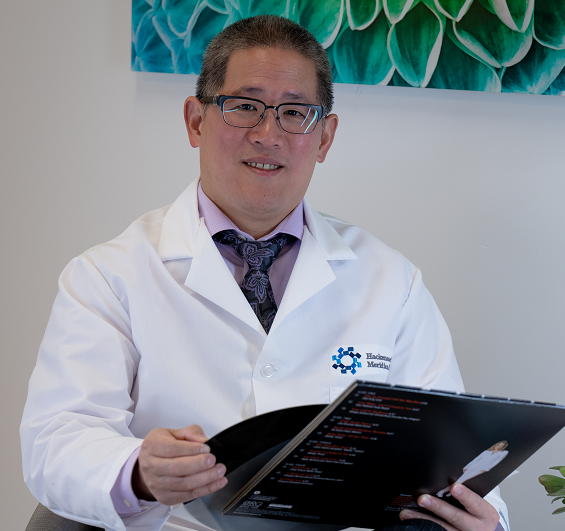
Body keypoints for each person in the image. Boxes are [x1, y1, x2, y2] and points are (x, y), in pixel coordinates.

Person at [20, 15, 509, 531]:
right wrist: (138, 473)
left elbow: (454, 447)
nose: (268, 134)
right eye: (245, 107)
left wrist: (486, 521)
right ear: (195, 121)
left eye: (295, 113)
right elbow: (58, 441)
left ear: (325, 137)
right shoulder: (108, 275)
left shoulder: (393, 282)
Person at [437, 442, 509, 498]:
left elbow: (496, 462)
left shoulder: (503, 453)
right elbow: (476, 459)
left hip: (481, 469)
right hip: (473, 466)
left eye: (501, 445)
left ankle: (443, 492)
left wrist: (486, 469)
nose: (499, 446)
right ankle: (449, 492)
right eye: (499, 444)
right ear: (496, 445)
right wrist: (466, 466)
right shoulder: (486, 452)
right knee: (461, 480)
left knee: (462, 480)